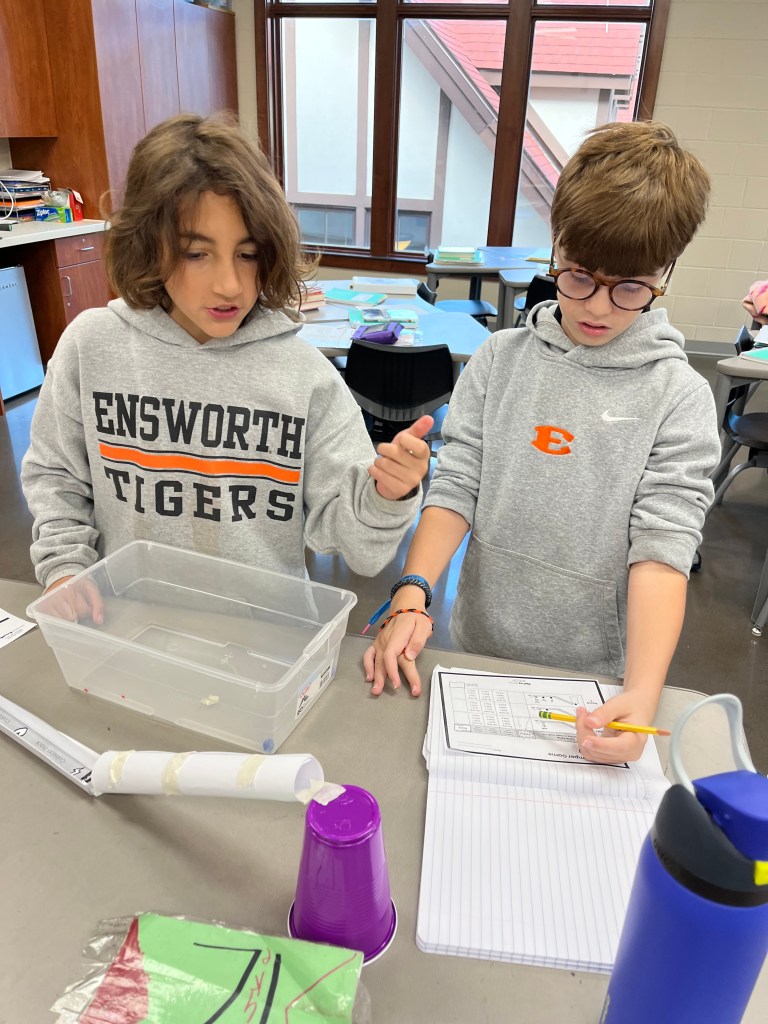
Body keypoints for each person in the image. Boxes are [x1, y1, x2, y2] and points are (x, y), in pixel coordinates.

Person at [364, 120, 721, 764]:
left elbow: (663, 550)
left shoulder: (679, 396)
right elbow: (458, 485)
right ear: (557, 248)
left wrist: (642, 693)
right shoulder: (499, 361)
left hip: (598, 673)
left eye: (630, 287)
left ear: (664, 274)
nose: (598, 306)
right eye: (578, 276)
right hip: (478, 644)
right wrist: (412, 590)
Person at [21, 114, 432, 622]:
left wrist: (388, 494)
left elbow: (359, 550)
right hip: (125, 623)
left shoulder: (305, 376)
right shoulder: (91, 346)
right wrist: (65, 567)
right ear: (148, 243)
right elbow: (56, 476)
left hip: (267, 635)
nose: (230, 285)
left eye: (248, 254)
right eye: (197, 253)